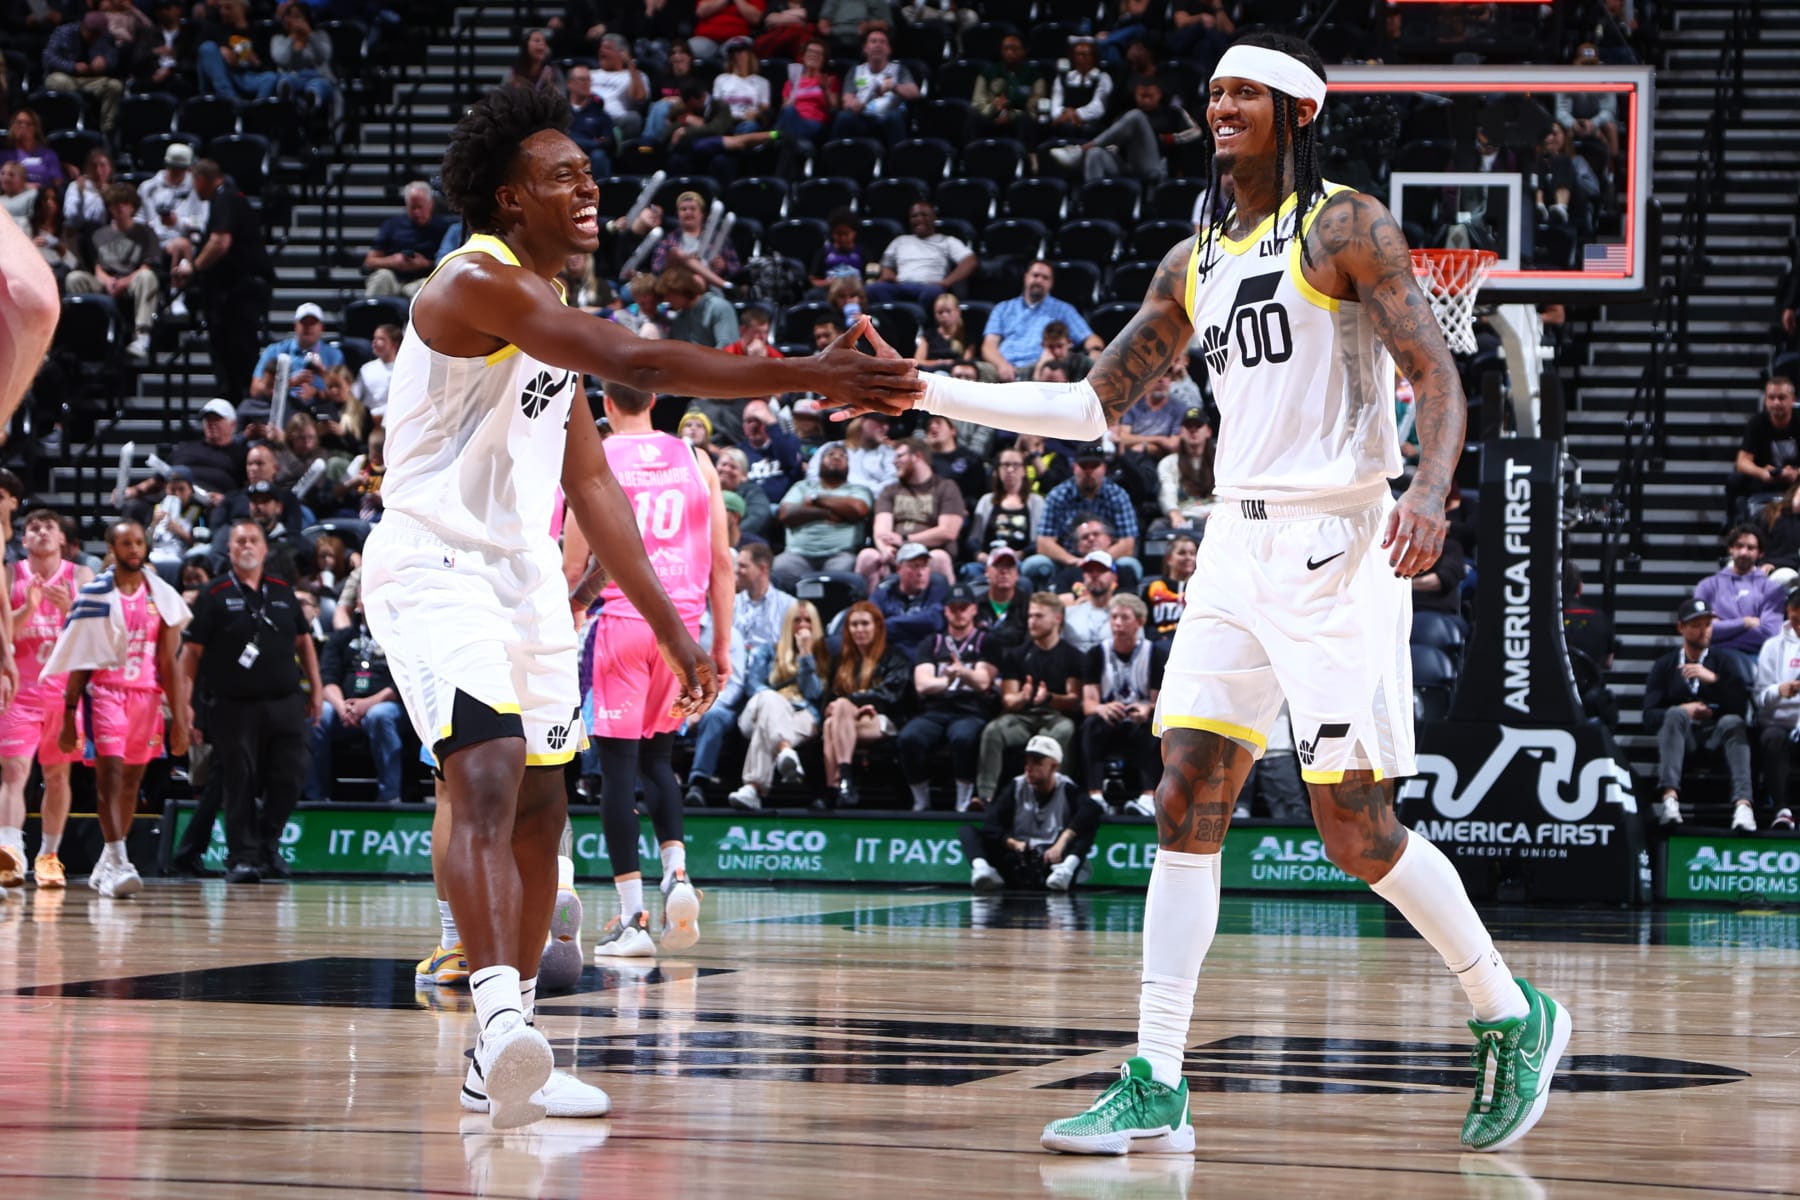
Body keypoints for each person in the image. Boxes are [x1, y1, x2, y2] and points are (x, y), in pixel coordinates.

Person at [850, 32, 1571, 1154]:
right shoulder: (1195, 254)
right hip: (1232, 545)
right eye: (1214, 90)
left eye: (1244, 91)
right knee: (1184, 792)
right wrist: (927, 389)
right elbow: (1094, 405)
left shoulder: (1345, 223)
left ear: (1296, 111)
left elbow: (1437, 372)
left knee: (1355, 830)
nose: (1220, 104)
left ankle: (1509, 1011)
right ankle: (1157, 1073)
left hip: (1343, 541)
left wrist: (1431, 489)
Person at [359, 85, 914, 1129]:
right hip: (433, 563)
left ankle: (504, 1056)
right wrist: (806, 370)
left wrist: (671, 624)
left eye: (590, 173)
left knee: (538, 799)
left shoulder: (541, 319)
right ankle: (498, 1020)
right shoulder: (475, 283)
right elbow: (636, 362)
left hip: (523, 573)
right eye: (565, 176)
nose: (591, 188)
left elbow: (594, 483)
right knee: (481, 765)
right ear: (508, 198)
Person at [581, 380, 729, 958]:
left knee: (616, 772)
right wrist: (720, 646)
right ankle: (678, 874)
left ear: (608, 405)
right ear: (653, 401)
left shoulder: (596, 457)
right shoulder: (695, 457)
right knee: (659, 759)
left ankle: (632, 920)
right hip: (683, 627)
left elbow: (577, 562)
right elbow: (720, 559)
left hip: (622, 623)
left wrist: (571, 612)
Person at [46, 521, 191, 898]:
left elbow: (170, 662)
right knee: (108, 779)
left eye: (139, 542)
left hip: (146, 697)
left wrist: (180, 717)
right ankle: (120, 859)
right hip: (106, 693)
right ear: (112, 548)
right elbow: (80, 657)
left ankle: (105, 865)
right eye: (125, 542)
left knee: (131, 783)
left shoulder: (160, 596)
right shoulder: (96, 593)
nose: (133, 549)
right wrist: (68, 714)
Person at [181, 519, 320, 882]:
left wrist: (316, 690)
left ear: (264, 548)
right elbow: (191, 653)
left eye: (253, 540)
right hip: (232, 703)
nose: (246, 546)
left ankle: (268, 845)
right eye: (239, 540)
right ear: (228, 549)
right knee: (238, 781)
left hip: (285, 701)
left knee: (290, 775)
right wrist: (186, 704)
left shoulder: (282, 590)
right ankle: (242, 858)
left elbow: (304, 643)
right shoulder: (213, 594)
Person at [0, 509, 93, 889]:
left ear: (61, 539)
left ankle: (49, 857)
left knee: (56, 776)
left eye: (47, 527)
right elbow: (4, 634)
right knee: (14, 772)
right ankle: (10, 851)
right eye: (32, 528)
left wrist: (69, 609)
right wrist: (29, 609)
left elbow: (95, 632)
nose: (40, 532)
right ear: (23, 540)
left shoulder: (80, 576)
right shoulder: (9, 574)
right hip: (20, 691)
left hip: (63, 694)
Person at [684, 543, 795, 804]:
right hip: (731, 684)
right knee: (716, 715)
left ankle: (756, 790)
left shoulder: (789, 607)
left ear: (763, 568)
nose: (737, 572)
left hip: (768, 686)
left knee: (763, 706)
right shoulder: (729, 605)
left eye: (743, 566)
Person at [1645, 597, 1752, 829]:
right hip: (1683, 739)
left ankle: (1744, 806)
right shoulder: (1665, 665)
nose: (1704, 630)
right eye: (1697, 625)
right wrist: (1685, 710)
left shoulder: (1724, 661)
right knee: (1675, 714)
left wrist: (1713, 679)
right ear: (1681, 627)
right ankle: (1669, 800)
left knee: (1733, 721)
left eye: (1708, 624)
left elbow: (1740, 708)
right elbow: (1649, 717)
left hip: (1717, 737)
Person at [176, 159, 274, 406]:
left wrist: (194, 267)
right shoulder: (228, 198)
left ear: (200, 179)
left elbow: (220, 242)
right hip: (235, 290)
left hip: (240, 291)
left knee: (238, 349)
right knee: (230, 349)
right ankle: (237, 399)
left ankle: (244, 401)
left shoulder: (225, 198)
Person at [974, 591, 1083, 807]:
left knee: (1061, 732)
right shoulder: (1016, 654)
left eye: (1039, 616)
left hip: (1056, 717)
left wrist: (1050, 698)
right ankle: (985, 796)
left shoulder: (1073, 656)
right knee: (994, 731)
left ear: (1057, 618)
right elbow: (1008, 699)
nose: (1032, 621)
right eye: (1030, 616)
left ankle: (1056, 796)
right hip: (1022, 717)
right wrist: (1022, 697)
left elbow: (1074, 700)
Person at [898, 582, 999, 813]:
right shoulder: (932, 643)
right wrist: (948, 680)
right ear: (946, 611)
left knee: (962, 738)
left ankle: (962, 801)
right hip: (936, 710)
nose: (959, 612)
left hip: (971, 709)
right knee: (909, 738)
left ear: (974, 609)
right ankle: (921, 800)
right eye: (954, 608)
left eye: (964, 607)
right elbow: (922, 684)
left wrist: (961, 672)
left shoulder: (986, 641)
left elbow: (983, 681)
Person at [963, 734, 1102, 892]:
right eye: (1027, 761)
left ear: (1054, 766)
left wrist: (1062, 841)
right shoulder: (1016, 786)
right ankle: (983, 870)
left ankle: (1066, 870)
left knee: (1086, 827)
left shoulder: (1067, 788)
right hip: (1019, 858)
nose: (1029, 767)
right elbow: (991, 825)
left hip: (1051, 861)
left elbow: (1093, 810)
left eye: (1037, 762)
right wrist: (1013, 843)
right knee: (967, 830)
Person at [728, 600, 827, 811]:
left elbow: (814, 693)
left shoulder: (823, 656)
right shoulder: (767, 651)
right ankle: (784, 750)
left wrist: (806, 655)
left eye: (808, 620)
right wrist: (778, 700)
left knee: (767, 725)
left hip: (802, 715)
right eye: (797, 620)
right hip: (755, 712)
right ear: (788, 623)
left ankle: (753, 789)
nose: (802, 626)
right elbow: (753, 685)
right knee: (769, 699)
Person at [309, 590, 406, 805]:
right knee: (320, 714)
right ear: (358, 603)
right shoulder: (341, 638)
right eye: (366, 595)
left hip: (388, 705)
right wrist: (341, 707)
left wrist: (368, 704)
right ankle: (317, 797)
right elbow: (327, 678)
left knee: (380, 716)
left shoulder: (401, 637)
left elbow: (405, 681)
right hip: (346, 708)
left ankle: (390, 797)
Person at [1079, 593, 1166, 810]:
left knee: (1153, 726)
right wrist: (1102, 708)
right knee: (1091, 725)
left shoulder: (1154, 654)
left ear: (1140, 622)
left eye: (1125, 617)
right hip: (1110, 721)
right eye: (1114, 617)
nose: (1118, 623)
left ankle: (1147, 799)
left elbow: (1160, 703)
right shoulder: (1096, 653)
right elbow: (1088, 704)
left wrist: (1146, 708)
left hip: (1139, 722)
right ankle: (1096, 797)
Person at [819, 601, 909, 807]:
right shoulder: (841, 661)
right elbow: (828, 701)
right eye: (854, 625)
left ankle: (838, 783)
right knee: (830, 723)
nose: (859, 630)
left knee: (839, 711)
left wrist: (855, 702)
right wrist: (843, 707)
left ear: (877, 626)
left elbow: (892, 695)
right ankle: (842, 784)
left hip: (882, 720)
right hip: (847, 723)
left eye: (865, 624)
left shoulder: (894, 656)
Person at [64, 183, 164, 361]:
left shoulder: (145, 232)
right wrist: (107, 281)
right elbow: (98, 267)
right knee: (74, 278)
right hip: (107, 281)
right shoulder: (98, 235)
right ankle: (86, 334)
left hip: (132, 280)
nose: (119, 207)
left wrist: (123, 282)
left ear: (133, 206)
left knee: (148, 277)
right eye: (114, 203)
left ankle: (142, 336)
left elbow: (148, 265)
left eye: (124, 203)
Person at [1026, 447, 1142, 594]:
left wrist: (1098, 560)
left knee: (1130, 564)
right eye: (1083, 466)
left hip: (1108, 561)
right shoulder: (1058, 495)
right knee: (1035, 563)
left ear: (1104, 468)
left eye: (1094, 466)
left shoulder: (1118, 496)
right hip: (1068, 560)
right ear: (1074, 467)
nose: (1089, 471)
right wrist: (1074, 561)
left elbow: (1127, 544)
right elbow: (1043, 543)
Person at [856, 437, 965, 589]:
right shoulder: (890, 490)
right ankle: (867, 611)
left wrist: (906, 540)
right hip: (897, 556)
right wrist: (885, 549)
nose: (895, 462)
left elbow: (948, 531)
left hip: (929, 554)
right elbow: (881, 530)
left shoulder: (946, 487)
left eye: (900, 456)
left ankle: (944, 610)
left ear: (917, 456)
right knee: (867, 556)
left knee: (940, 558)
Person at [772, 442, 873, 591]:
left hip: (840, 555)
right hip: (797, 555)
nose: (836, 458)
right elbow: (785, 513)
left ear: (848, 465)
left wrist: (815, 501)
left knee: (841, 575)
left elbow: (859, 509)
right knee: (779, 567)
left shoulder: (857, 490)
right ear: (819, 462)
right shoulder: (802, 487)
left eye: (842, 456)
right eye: (830, 455)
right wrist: (827, 513)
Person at [981, 261, 1105, 381]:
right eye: (1035, 275)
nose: (1039, 280)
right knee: (968, 371)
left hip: (1041, 365)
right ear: (1026, 277)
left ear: (1051, 283)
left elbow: (1090, 338)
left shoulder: (1063, 310)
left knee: (1051, 371)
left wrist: (1095, 351)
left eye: (1045, 278)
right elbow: (989, 345)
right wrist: (1002, 365)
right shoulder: (1002, 308)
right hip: (1003, 366)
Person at [866, 201, 978, 311]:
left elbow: (970, 261)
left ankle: (923, 325)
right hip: (900, 285)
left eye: (924, 215)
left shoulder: (947, 241)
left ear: (934, 218)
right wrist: (887, 273)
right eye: (914, 216)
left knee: (933, 293)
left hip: (929, 286)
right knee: (872, 289)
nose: (919, 219)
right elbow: (885, 265)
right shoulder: (900, 241)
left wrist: (946, 282)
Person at [1694, 525, 1785, 657]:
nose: (1743, 552)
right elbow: (1700, 631)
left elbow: (1769, 634)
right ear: (1731, 549)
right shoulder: (1707, 585)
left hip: (1754, 656)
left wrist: (1723, 628)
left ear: (1761, 553)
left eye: (1751, 548)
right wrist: (1746, 622)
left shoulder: (1772, 589)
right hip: (1714, 655)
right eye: (1739, 546)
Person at [1752, 589, 1800, 834]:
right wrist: (1779, 691)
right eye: (1795, 619)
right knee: (1772, 738)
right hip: (1778, 723)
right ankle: (1781, 809)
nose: (1799, 626)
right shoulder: (1772, 646)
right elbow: (1759, 699)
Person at [364, 181, 453, 298]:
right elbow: (369, 262)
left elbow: (450, 267)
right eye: (412, 207)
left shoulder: (444, 228)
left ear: (430, 204)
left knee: (425, 288)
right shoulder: (392, 225)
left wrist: (425, 264)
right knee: (381, 278)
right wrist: (393, 261)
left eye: (420, 207)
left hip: (422, 279)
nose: (417, 212)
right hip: (393, 278)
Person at [1727, 376, 1797, 524]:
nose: (1776, 402)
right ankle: (1732, 523)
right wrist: (1762, 472)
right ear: (1765, 401)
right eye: (1771, 398)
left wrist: (1796, 473)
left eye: (1782, 398)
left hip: (1796, 479)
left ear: (1793, 400)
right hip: (1766, 478)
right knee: (1734, 480)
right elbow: (1742, 462)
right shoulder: (1757, 423)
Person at [831, 28, 916, 146]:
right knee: (843, 117)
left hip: (888, 118)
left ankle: (898, 160)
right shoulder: (856, 71)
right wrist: (858, 104)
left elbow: (914, 93)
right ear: (865, 48)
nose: (878, 45)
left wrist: (894, 87)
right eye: (873, 41)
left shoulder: (899, 70)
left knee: (895, 116)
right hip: (863, 118)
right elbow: (847, 100)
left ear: (889, 49)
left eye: (882, 42)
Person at [42, 14, 125, 134]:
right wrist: (72, 67)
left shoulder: (105, 36)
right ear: (84, 27)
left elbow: (114, 59)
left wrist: (105, 62)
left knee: (115, 85)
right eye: (92, 33)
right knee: (58, 82)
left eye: (98, 35)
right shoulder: (64, 32)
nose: (94, 37)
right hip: (66, 77)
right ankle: (75, 121)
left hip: (91, 80)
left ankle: (107, 130)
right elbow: (49, 58)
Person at [870, 541, 948, 656]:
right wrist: (915, 626)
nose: (921, 572)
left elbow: (934, 622)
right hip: (888, 656)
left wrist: (889, 624)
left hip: (926, 656)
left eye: (924, 565)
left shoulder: (939, 593)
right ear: (898, 568)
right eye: (915, 566)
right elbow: (872, 625)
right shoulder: (883, 594)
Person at [1141, 531, 1197, 645]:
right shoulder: (1153, 588)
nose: (1188, 558)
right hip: (1159, 644)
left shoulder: (1202, 589)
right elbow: (1144, 624)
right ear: (1169, 559)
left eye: (1192, 553)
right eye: (1182, 553)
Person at [976, 544, 1031, 652]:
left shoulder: (1029, 606)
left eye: (1010, 567)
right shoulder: (975, 605)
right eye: (998, 566)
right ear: (987, 572)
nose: (1004, 572)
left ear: (1017, 574)